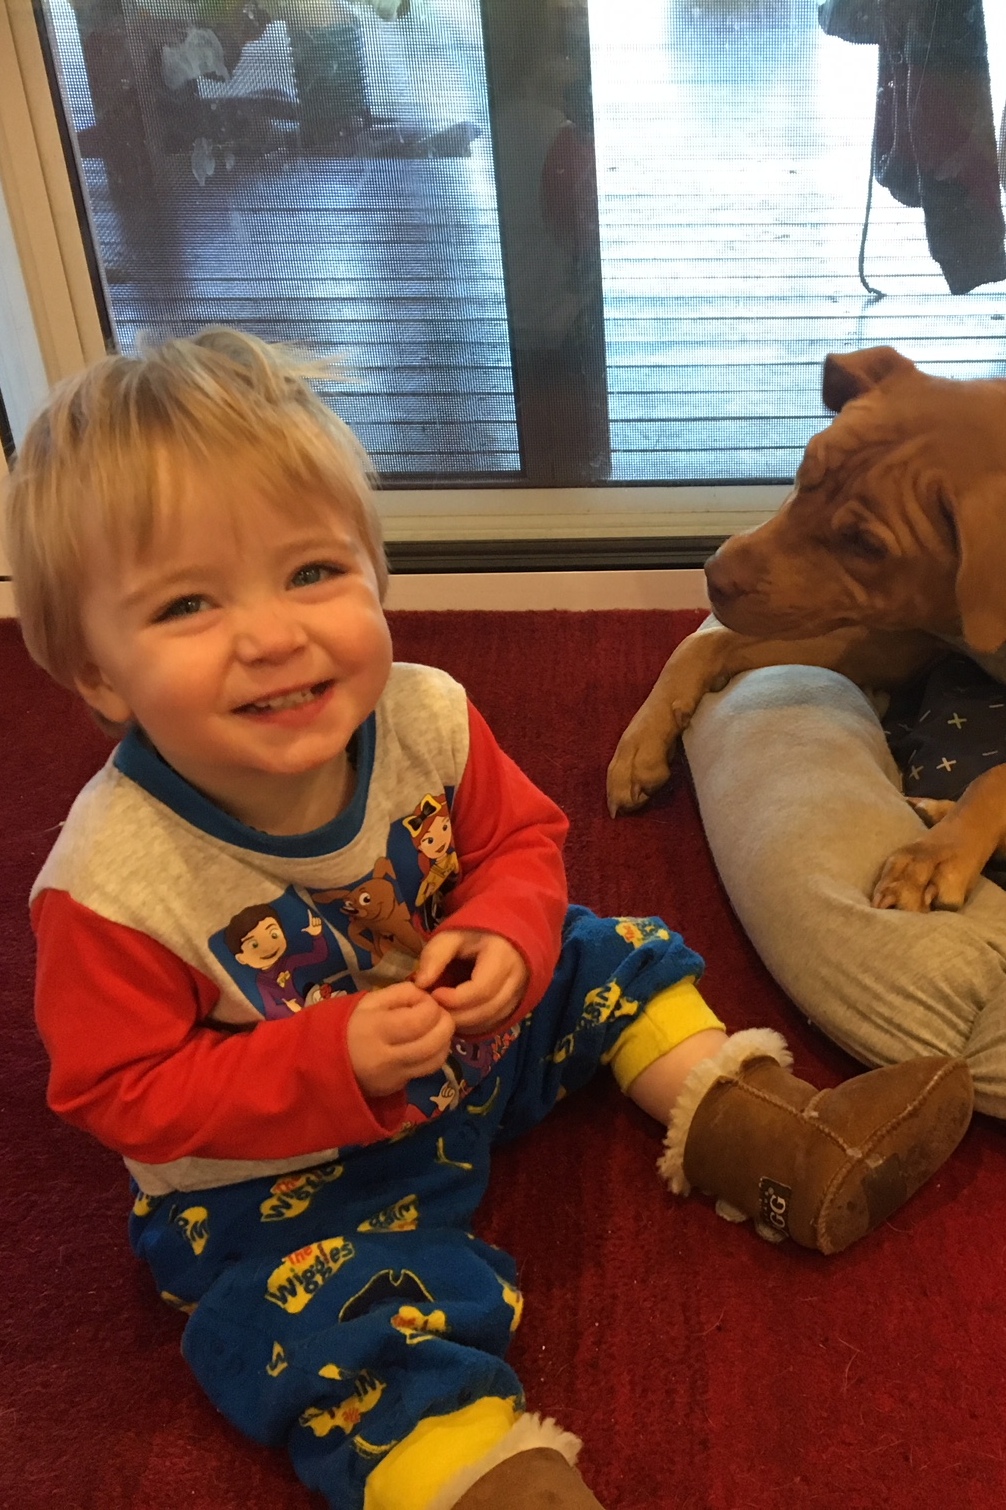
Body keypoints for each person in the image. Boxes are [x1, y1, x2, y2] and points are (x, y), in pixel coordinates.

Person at [4, 328, 974, 1510]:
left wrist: (510, 934)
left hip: (475, 1038)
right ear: (98, 675)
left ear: (374, 573)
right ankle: (481, 1475)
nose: (272, 634)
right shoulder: (110, 883)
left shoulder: (427, 716)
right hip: (282, 1178)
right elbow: (119, 1092)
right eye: (188, 604)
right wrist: (329, 1060)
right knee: (320, 1323)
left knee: (604, 953)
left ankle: (764, 1130)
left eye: (311, 573)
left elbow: (523, 842)